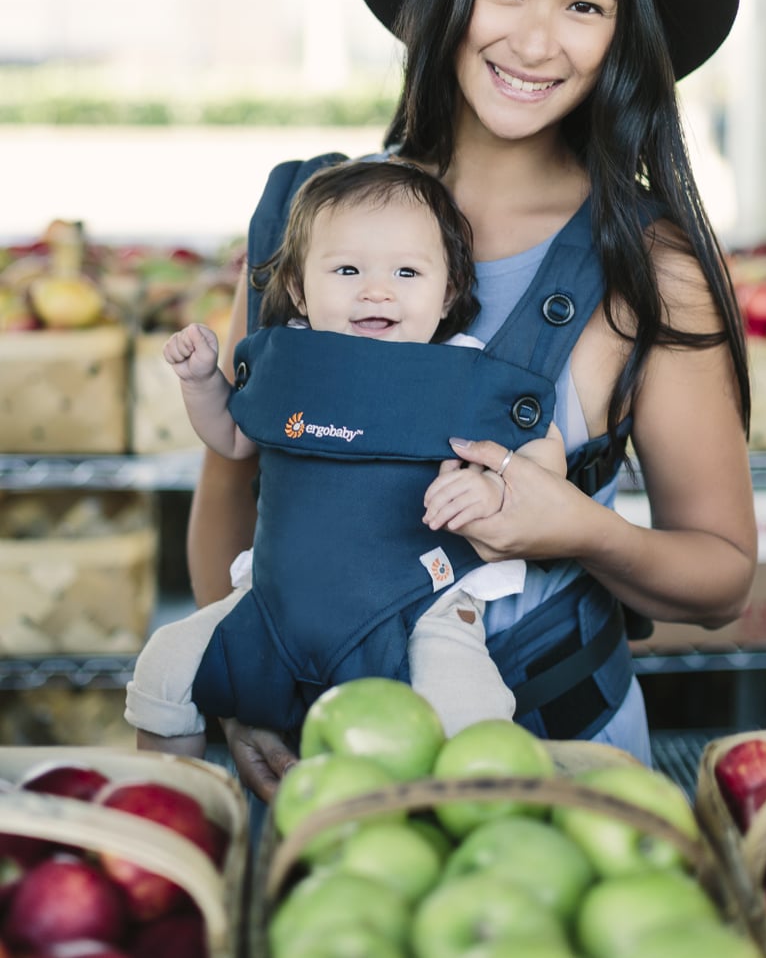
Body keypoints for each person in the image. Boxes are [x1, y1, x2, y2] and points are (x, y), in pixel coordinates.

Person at [184, 0, 757, 800]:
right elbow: (235, 485)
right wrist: (234, 691)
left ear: (623, 37)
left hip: (562, 769)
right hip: (330, 760)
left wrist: (574, 527)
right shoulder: (311, 221)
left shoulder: (648, 264)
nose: (539, 41)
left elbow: (719, 579)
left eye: (586, 6)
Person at [125, 158, 567, 756]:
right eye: (347, 269)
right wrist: (203, 382)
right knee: (166, 667)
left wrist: (494, 490)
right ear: (300, 290)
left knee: (468, 714)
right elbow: (232, 439)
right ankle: (172, 806)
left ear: (450, 293)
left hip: (421, 606)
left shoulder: (464, 369)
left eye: (408, 272)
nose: (376, 290)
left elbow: (541, 451)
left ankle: (465, 816)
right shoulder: (291, 358)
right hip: (275, 597)